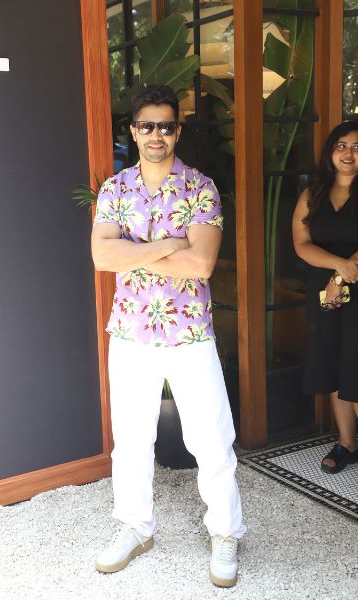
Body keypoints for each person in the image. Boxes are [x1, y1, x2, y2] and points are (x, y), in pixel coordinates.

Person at [90, 84, 246, 587]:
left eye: (165, 125)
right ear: (133, 131)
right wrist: (170, 244)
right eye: (146, 126)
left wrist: (135, 251)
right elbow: (102, 256)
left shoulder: (201, 188)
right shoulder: (114, 190)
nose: (155, 134)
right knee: (131, 440)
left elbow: (201, 265)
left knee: (211, 439)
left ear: (177, 130)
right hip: (130, 332)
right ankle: (135, 527)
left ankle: (225, 533)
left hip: (189, 333)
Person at [291, 120, 358, 498]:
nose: (349, 154)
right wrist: (338, 268)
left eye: (357, 147)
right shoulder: (311, 195)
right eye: (342, 146)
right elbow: (302, 244)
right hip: (326, 291)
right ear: (331, 151)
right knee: (332, 365)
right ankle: (347, 444)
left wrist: (342, 275)